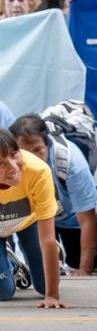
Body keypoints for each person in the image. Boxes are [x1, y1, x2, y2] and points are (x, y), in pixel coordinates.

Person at [10, 114, 97, 275]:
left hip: (71, 220)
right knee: (42, 271)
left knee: (87, 263)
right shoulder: (9, 163)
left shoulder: (71, 162)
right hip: (37, 217)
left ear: (48, 143)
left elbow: (87, 218)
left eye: (38, 151)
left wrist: (84, 269)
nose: (32, 158)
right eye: (25, 153)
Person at [0, 128, 67, 307]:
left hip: (28, 222)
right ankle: (10, 265)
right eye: (1, 164)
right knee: (4, 292)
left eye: (14, 155)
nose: (13, 167)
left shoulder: (38, 171)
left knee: (44, 286)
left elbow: (48, 239)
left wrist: (52, 296)